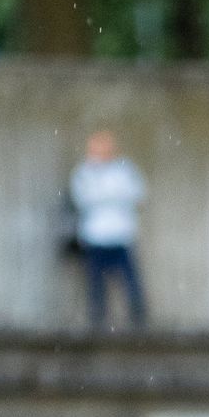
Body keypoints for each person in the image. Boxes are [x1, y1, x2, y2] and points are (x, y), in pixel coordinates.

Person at [69, 130, 149, 329]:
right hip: (95, 235)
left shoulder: (124, 169)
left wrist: (107, 195)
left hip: (121, 234)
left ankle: (137, 316)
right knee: (95, 281)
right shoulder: (84, 172)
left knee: (130, 279)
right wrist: (113, 195)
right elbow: (82, 199)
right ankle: (97, 318)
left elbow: (138, 194)